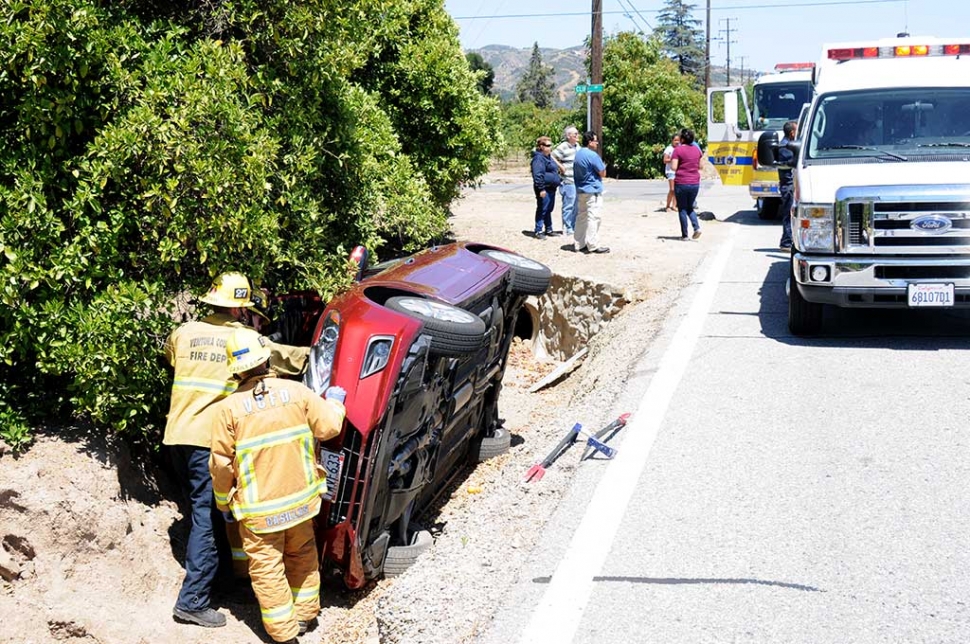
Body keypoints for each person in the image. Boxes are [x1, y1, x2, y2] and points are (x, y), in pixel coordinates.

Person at [164, 271, 309, 629]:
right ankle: (192, 601)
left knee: (211, 514)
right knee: (208, 516)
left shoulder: (183, 333)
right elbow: (286, 360)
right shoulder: (244, 338)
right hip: (207, 441)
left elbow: (172, 361)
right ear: (240, 309)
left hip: (176, 437)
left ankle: (223, 583)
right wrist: (319, 352)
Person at [209, 328, 346, 644]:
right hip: (302, 502)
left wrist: (223, 503)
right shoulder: (296, 392)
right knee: (302, 555)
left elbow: (221, 465)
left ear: (235, 369)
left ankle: (285, 635)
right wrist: (336, 403)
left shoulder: (228, 409)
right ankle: (306, 614)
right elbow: (328, 426)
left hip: (260, 513)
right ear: (266, 358)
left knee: (268, 570)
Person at [572, 131, 609, 254]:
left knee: (581, 217)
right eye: (595, 140)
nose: (597, 143)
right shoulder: (592, 155)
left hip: (581, 190)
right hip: (592, 191)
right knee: (594, 218)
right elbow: (602, 172)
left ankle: (579, 243)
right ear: (590, 142)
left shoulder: (578, 154)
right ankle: (593, 245)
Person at [670, 128, 704, 241]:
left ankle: (685, 235)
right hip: (695, 182)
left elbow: (674, 167)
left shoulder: (678, 150)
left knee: (682, 209)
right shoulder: (697, 150)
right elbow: (701, 166)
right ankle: (696, 228)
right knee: (690, 207)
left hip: (681, 182)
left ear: (682, 139)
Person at [531, 136, 561, 239]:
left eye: (550, 145)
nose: (550, 147)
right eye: (547, 145)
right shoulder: (538, 158)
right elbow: (538, 175)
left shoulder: (548, 157)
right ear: (541, 147)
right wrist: (541, 189)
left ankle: (549, 229)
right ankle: (538, 230)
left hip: (551, 188)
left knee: (548, 209)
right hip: (544, 188)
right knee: (542, 208)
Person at [552, 126, 580, 235]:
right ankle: (567, 228)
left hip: (577, 180)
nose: (577, 136)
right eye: (575, 134)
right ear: (568, 136)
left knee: (576, 206)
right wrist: (560, 166)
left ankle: (573, 226)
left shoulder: (578, 147)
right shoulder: (563, 147)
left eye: (577, 134)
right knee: (569, 205)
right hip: (568, 180)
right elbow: (551, 156)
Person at [776, 120, 798, 250]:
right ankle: (786, 241)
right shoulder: (785, 147)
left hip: (790, 185)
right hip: (788, 185)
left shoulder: (788, 145)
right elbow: (794, 162)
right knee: (788, 214)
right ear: (792, 132)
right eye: (797, 130)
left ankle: (789, 240)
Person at [662, 132, 681, 212]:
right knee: (672, 189)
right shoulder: (669, 149)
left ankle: (674, 205)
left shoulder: (680, 148)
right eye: (675, 140)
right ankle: (667, 206)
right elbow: (665, 160)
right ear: (672, 141)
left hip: (678, 171)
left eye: (678, 140)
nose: (677, 142)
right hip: (670, 171)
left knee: (677, 190)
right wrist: (672, 159)